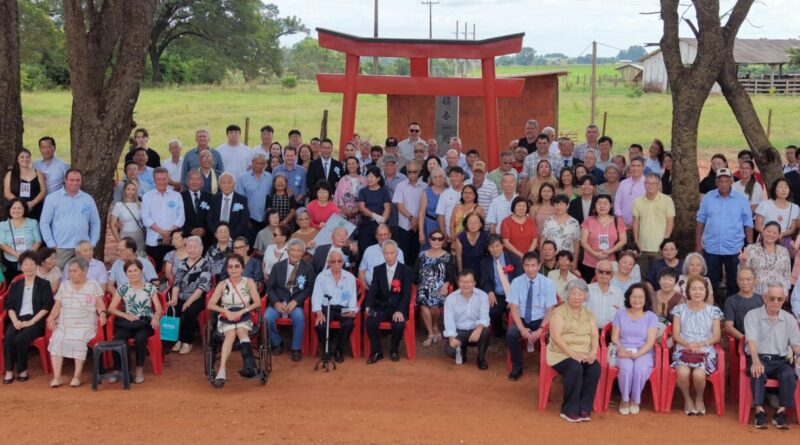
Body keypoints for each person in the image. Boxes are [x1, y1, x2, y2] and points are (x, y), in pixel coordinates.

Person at [743, 283, 800, 429]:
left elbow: (796, 345)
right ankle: (759, 411)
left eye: (779, 299)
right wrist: (755, 361)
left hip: (780, 361)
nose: (775, 302)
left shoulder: (789, 319)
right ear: (765, 298)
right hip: (758, 356)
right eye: (772, 298)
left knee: (789, 374)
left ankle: (781, 411)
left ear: (784, 300)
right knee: (757, 371)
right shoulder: (752, 315)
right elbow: (752, 342)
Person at [46, 257, 106, 388]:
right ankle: (57, 377)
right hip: (65, 321)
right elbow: (57, 305)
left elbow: (100, 304)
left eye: (75, 271)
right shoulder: (64, 285)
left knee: (78, 340)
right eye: (70, 271)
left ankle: (77, 376)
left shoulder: (93, 285)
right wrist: (51, 317)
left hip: (85, 322)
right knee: (57, 338)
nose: (71, 273)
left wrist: (102, 313)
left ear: (84, 271)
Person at [547, 279, 601, 422]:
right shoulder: (559, 312)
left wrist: (593, 352)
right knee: (575, 368)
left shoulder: (588, 313)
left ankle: (584, 407)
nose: (577, 297)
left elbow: (595, 335)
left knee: (595, 368)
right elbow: (556, 338)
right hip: (560, 354)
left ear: (585, 296)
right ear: (567, 295)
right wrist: (574, 355)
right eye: (573, 293)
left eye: (580, 293)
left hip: (584, 353)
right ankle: (569, 409)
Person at [696, 167, 753, 298]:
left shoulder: (741, 199)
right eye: (720, 181)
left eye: (726, 180)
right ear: (716, 182)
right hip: (711, 248)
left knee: (733, 282)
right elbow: (700, 221)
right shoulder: (708, 198)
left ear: (732, 181)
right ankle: (712, 307)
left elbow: (748, 224)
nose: (723, 184)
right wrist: (698, 244)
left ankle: (731, 308)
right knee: (711, 281)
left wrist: (749, 246)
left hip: (734, 249)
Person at [670, 276, 723, 416]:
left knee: (699, 375)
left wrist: (699, 344)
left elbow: (717, 336)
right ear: (688, 291)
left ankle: (699, 398)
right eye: (694, 289)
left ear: (706, 292)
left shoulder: (713, 311)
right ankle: (688, 399)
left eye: (701, 289)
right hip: (684, 348)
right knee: (682, 373)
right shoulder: (679, 309)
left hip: (705, 350)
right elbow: (675, 335)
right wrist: (688, 345)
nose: (697, 292)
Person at [206, 254, 262, 388]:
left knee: (242, 331)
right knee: (230, 334)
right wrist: (226, 311)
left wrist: (242, 311)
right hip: (227, 314)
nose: (234, 269)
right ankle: (222, 371)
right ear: (227, 269)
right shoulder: (222, 284)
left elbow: (258, 302)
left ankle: (249, 365)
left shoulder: (249, 282)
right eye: (230, 266)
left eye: (237, 266)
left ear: (242, 268)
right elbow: (211, 304)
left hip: (244, 312)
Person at [106, 259, 161, 384]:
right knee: (117, 339)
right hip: (129, 321)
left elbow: (158, 306)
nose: (133, 273)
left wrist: (156, 316)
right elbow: (111, 308)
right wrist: (125, 315)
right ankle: (120, 370)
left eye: (135, 270)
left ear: (141, 271)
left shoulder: (149, 287)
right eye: (129, 271)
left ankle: (139, 368)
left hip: (144, 322)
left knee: (141, 339)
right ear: (126, 274)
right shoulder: (123, 288)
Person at [3, 251, 53, 383]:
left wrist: (31, 321)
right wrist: (15, 321)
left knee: (20, 339)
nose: (29, 267)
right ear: (21, 266)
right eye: (25, 264)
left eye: (32, 264)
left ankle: (22, 370)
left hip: (36, 320)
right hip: (18, 318)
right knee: (8, 337)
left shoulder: (44, 284)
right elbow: (9, 306)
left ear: (37, 266)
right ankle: (8, 371)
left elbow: (47, 307)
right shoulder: (15, 285)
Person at [507, 252, 557, 381]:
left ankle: (546, 365)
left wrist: (541, 329)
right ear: (523, 266)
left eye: (533, 265)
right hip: (522, 318)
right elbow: (514, 308)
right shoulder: (516, 282)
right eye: (527, 265)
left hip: (540, 319)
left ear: (539, 266)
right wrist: (522, 328)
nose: (530, 269)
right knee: (512, 334)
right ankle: (517, 367)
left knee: (551, 336)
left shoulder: (548, 283)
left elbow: (550, 309)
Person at [611, 283, 660, 415]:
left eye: (640, 297)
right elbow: (615, 337)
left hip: (644, 351)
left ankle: (635, 400)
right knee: (626, 370)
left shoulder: (651, 317)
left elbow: (650, 343)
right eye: (634, 296)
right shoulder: (620, 314)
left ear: (645, 299)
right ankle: (625, 399)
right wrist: (620, 348)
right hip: (623, 350)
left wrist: (637, 354)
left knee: (640, 369)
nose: (637, 300)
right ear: (628, 297)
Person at [264, 239, 315, 362]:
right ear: (287, 251)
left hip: (296, 302)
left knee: (299, 317)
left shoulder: (308, 268)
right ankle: (277, 342)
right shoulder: (277, 266)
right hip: (278, 301)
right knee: (267, 318)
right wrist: (276, 302)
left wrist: (296, 301)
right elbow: (269, 287)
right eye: (292, 250)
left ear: (303, 253)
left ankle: (296, 348)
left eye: (298, 251)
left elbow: (310, 288)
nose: (295, 253)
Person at [39, 169, 101, 269]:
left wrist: (92, 243)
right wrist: (51, 244)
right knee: (58, 275)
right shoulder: (52, 198)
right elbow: (44, 223)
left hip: (83, 247)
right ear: (65, 180)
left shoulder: (88, 199)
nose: (75, 183)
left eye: (78, 180)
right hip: (61, 247)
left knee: (84, 274)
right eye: (72, 180)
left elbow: (95, 223)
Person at [365, 241, 414, 363]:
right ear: (383, 254)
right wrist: (368, 305)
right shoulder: (378, 269)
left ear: (396, 253)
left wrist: (401, 311)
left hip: (398, 307)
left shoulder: (406, 270)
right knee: (370, 322)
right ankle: (377, 351)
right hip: (382, 307)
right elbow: (373, 289)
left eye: (392, 253)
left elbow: (407, 293)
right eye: (386, 253)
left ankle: (394, 350)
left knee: (399, 324)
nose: (389, 256)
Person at [312, 248, 359, 363]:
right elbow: (316, 296)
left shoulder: (350, 277)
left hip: (344, 307)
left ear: (343, 262)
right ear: (328, 263)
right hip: (327, 307)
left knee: (349, 324)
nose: (336, 264)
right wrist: (318, 313)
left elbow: (353, 297)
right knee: (320, 325)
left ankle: (339, 350)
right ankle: (326, 350)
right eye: (333, 261)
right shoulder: (321, 276)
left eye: (339, 261)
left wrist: (353, 310)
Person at [168, 236, 211, 354]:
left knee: (189, 312)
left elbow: (202, 287)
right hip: (181, 295)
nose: (192, 250)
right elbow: (176, 282)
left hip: (197, 297)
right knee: (172, 309)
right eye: (190, 247)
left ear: (201, 249)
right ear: (186, 249)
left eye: (195, 247)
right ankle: (176, 339)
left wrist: (189, 301)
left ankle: (187, 341)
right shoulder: (182, 263)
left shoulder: (205, 264)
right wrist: (175, 298)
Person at [443, 270, 491, 370]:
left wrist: (478, 329)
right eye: (462, 282)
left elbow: (484, 316)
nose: (465, 285)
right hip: (459, 332)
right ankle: (462, 350)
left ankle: (481, 358)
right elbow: (448, 320)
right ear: (458, 283)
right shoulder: (450, 299)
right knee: (450, 351)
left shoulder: (483, 296)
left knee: (485, 331)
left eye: (469, 282)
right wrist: (452, 338)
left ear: (474, 283)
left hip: (475, 330)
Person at [141, 167, 184, 272]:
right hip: (154, 241)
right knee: (156, 269)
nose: (162, 182)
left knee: (173, 269)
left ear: (168, 179)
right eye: (159, 179)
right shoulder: (147, 196)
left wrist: (169, 233)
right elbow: (146, 219)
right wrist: (162, 232)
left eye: (164, 179)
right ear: (154, 180)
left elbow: (181, 218)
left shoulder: (176, 196)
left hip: (173, 240)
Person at [479, 234, 523, 338]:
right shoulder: (485, 262)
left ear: (502, 245)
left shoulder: (513, 258)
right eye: (491, 247)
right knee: (493, 312)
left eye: (497, 245)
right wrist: (489, 292)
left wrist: (513, 297)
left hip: (513, 294)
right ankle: (500, 333)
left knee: (512, 312)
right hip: (497, 294)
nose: (495, 249)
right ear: (488, 249)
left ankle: (513, 334)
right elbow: (485, 281)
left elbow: (520, 279)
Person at [633, 173, 675, 276]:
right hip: (643, 247)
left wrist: (665, 243)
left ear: (659, 184)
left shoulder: (667, 200)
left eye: (654, 183)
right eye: (648, 183)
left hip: (659, 248)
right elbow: (635, 222)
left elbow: (670, 222)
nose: (650, 186)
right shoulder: (637, 201)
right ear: (644, 184)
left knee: (660, 276)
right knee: (642, 276)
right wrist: (636, 241)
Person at [417, 230, 453, 346]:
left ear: (443, 241)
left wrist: (446, 285)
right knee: (423, 305)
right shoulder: (422, 255)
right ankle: (431, 333)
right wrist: (417, 285)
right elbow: (414, 272)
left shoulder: (447, 256)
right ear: (429, 239)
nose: (436, 241)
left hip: (440, 286)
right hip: (423, 285)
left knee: (434, 305)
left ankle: (434, 325)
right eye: (434, 238)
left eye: (439, 239)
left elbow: (451, 274)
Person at [580, 194, 627, 282]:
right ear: (595, 205)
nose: (602, 206)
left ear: (611, 205)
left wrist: (609, 251)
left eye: (605, 203)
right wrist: (595, 254)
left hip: (610, 262)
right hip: (590, 262)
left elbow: (623, 240)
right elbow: (583, 242)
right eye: (599, 203)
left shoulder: (618, 221)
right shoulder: (588, 220)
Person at [739, 221, 791, 295]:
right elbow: (743, 272)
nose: (771, 234)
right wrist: (742, 262)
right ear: (763, 232)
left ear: (779, 235)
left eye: (774, 233)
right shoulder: (751, 249)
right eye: (768, 231)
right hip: (755, 293)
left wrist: (786, 292)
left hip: (776, 294)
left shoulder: (784, 251)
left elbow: (787, 274)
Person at [0, 199, 42, 281]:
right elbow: (2, 243)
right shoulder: (2, 225)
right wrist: (16, 254)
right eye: (14, 208)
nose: (16, 210)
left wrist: (27, 255)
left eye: (19, 208)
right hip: (10, 261)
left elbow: (38, 241)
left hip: (30, 260)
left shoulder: (33, 222)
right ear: (9, 210)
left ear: (24, 209)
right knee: (12, 285)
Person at [393, 159, 427, 261]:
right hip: (404, 226)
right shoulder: (400, 186)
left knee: (418, 255)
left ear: (419, 171)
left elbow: (426, 207)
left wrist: (417, 222)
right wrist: (412, 219)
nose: (412, 174)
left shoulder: (425, 187)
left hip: (420, 226)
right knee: (405, 255)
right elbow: (399, 205)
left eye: (414, 172)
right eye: (409, 172)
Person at [235, 153, 273, 243]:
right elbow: (240, 201)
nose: (259, 166)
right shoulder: (242, 178)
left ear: (265, 165)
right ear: (252, 163)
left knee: (265, 245)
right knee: (250, 245)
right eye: (256, 163)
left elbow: (271, 196)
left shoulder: (269, 177)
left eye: (261, 163)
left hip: (265, 219)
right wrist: (245, 219)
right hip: (250, 219)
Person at [357, 167, 392, 258]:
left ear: (378, 178)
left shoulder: (384, 191)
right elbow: (361, 207)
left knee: (382, 249)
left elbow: (387, 208)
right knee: (364, 249)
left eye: (371, 177)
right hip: (366, 223)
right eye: (367, 177)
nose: (369, 179)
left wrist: (382, 222)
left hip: (380, 224)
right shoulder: (363, 191)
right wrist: (374, 215)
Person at [3, 148, 47, 220]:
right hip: (16, 210)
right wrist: (21, 205)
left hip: (35, 208)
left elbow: (43, 190)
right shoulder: (10, 174)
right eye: (22, 157)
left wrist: (32, 203)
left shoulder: (38, 173)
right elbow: (7, 193)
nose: (25, 159)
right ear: (17, 159)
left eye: (28, 157)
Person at [541, 194, 581, 272]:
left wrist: (575, 261)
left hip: (567, 260)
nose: (559, 207)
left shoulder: (574, 222)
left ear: (567, 205)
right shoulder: (548, 221)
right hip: (550, 260)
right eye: (556, 204)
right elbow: (543, 240)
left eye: (562, 204)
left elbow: (576, 243)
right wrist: (542, 259)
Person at [755, 178, 799, 249]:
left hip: (784, 240)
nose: (784, 190)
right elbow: (757, 225)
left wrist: (781, 234)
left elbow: (792, 229)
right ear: (774, 189)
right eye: (780, 187)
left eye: (786, 187)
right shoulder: (765, 204)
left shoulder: (794, 208)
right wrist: (771, 235)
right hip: (765, 238)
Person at [358, 224, 406, 288]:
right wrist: (365, 288)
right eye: (380, 235)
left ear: (390, 235)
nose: (383, 237)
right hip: (370, 289)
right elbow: (361, 271)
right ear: (376, 236)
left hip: (390, 291)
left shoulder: (398, 251)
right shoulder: (369, 250)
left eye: (385, 234)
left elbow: (400, 272)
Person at [723, 266, 762, 343]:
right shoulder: (730, 301)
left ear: (755, 281)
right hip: (743, 342)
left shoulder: (761, 299)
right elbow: (728, 326)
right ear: (737, 281)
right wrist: (746, 339)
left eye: (748, 279)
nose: (745, 282)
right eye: (741, 279)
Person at [208, 172, 250, 240]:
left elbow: (244, 221)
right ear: (219, 185)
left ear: (234, 184)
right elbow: (210, 219)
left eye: (229, 182)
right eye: (223, 183)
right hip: (217, 237)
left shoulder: (242, 199)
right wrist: (218, 234)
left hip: (235, 237)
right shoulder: (214, 199)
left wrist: (231, 236)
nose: (226, 185)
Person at [110, 181, 146, 254]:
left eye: (133, 190)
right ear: (124, 190)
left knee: (141, 258)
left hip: (139, 235)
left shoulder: (140, 205)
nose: (131, 192)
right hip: (125, 235)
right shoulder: (118, 205)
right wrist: (119, 241)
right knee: (126, 259)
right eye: (128, 189)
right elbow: (112, 225)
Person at [587, 260, 625, 328]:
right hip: (588, 331)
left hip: (611, 333)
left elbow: (622, 315)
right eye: (601, 271)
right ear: (596, 272)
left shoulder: (618, 293)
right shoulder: (586, 290)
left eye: (608, 272)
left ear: (612, 275)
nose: (604, 274)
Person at [180, 170, 213, 246]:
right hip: (186, 239)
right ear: (187, 182)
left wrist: (204, 230)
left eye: (197, 179)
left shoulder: (210, 197)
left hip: (206, 239)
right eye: (192, 179)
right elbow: (178, 218)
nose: (194, 182)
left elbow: (213, 217)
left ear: (202, 182)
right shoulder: (180, 197)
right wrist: (190, 230)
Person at [454, 213, 489, 282]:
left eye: (476, 222)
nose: (473, 225)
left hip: (481, 268)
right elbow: (459, 257)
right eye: (470, 222)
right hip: (465, 267)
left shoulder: (486, 236)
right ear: (466, 224)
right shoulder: (460, 237)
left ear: (481, 224)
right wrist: (461, 274)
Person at [436, 166, 467, 241]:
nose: (454, 178)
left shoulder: (469, 191)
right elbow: (441, 215)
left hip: (467, 234)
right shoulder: (445, 193)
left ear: (463, 177)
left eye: (457, 175)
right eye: (452, 176)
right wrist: (444, 233)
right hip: (449, 234)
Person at [614, 156, 646, 229]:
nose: (635, 168)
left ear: (643, 167)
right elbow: (617, 203)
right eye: (633, 166)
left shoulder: (648, 183)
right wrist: (620, 219)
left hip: (642, 226)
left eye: (638, 166)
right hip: (623, 225)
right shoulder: (623, 183)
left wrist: (637, 223)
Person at [418, 166, 446, 248]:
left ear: (444, 177)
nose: (438, 179)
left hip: (445, 225)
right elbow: (422, 213)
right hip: (430, 224)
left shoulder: (449, 191)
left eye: (440, 176)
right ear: (432, 179)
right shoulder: (426, 192)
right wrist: (421, 233)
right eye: (435, 177)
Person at [334, 156, 367, 225]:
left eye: (353, 163)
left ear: (358, 165)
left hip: (360, 213)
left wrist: (357, 209)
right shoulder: (343, 180)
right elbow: (338, 197)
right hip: (344, 213)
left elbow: (366, 197)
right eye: (349, 164)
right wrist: (345, 211)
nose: (351, 166)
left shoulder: (364, 180)